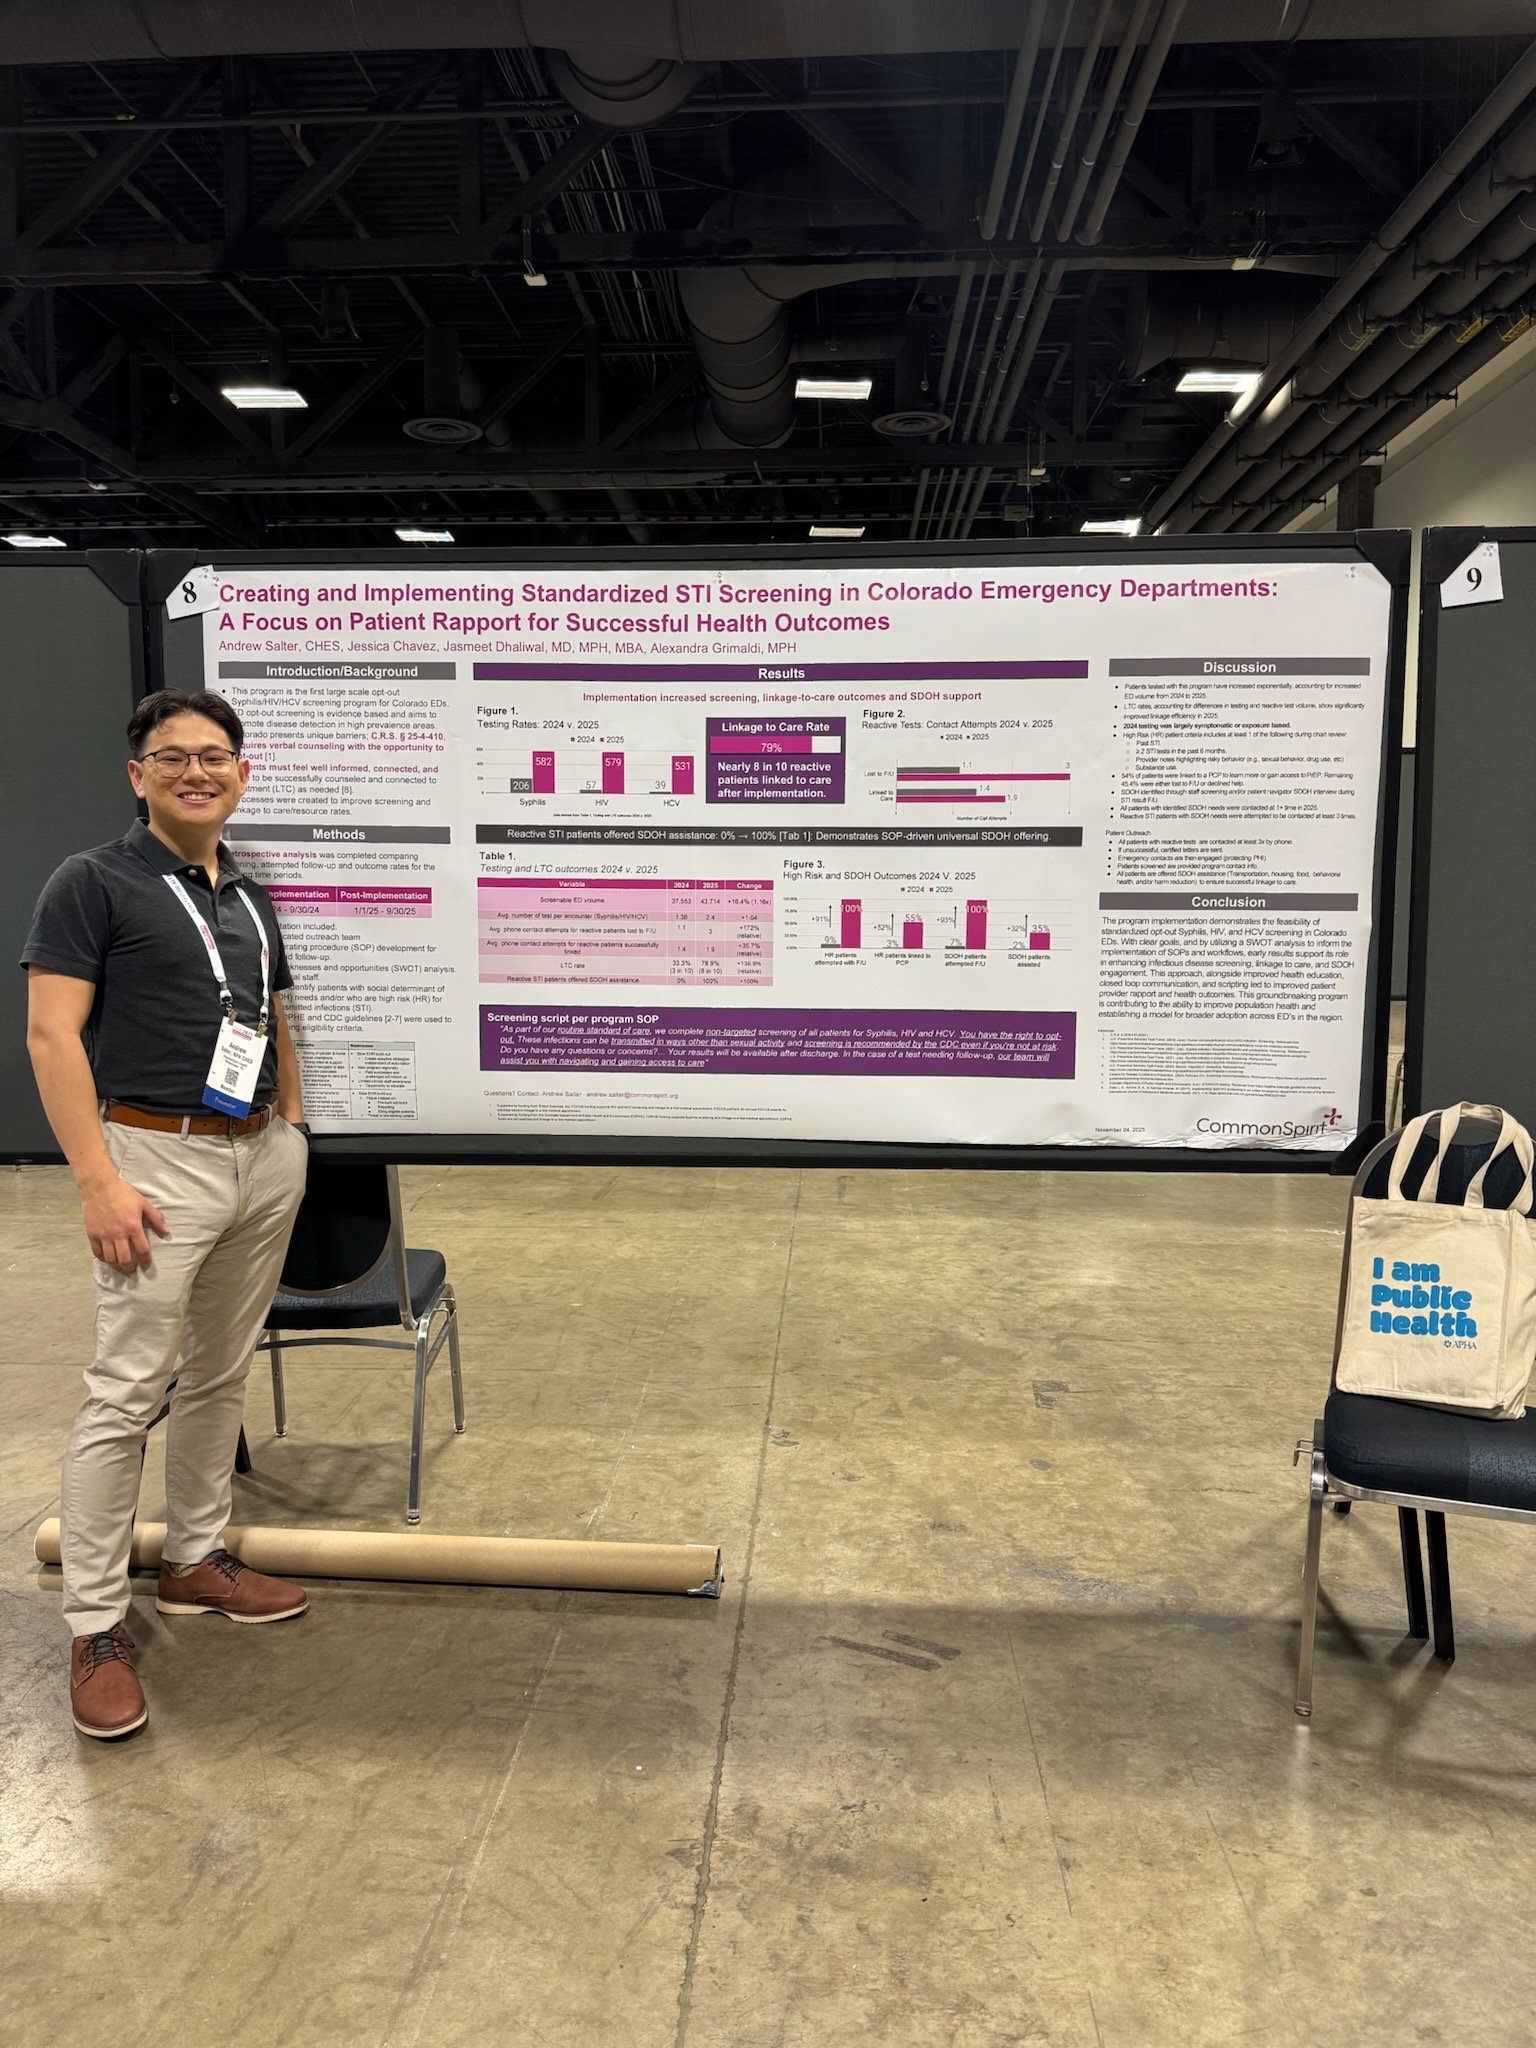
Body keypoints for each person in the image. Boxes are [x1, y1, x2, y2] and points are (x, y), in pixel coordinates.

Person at [23, 688, 312, 1739]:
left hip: (256, 1160)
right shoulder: (91, 881)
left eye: (215, 754)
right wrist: (98, 1179)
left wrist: (291, 1125)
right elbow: (54, 1037)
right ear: (137, 775)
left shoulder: (245, 889)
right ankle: (97, 1621)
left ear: (242, 771)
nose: (197, 769)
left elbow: (271, 1011)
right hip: (153, 1158)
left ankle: (195, 1556)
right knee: (125, 1391)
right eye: (172, 755)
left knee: (222, 1371)